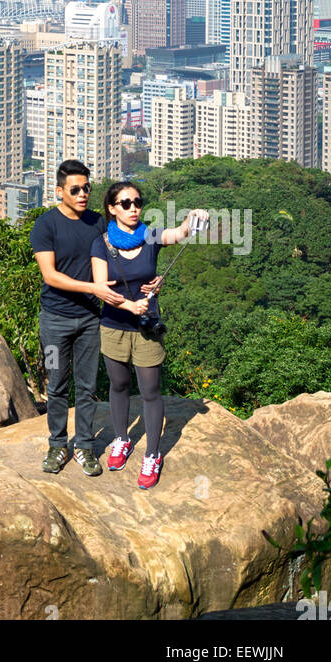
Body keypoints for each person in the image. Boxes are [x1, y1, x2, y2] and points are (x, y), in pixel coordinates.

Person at [91, 182, 209, 490]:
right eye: (125, 203)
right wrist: (130, 305)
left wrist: (192, 218)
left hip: (146, 325)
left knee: (150, 391)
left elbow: (179, 234)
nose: (133, 209)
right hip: (115, 324)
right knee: (118, 384)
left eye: (137, 202)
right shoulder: (101, 243)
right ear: (112, 208)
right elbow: (101, 288)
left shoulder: (150, 235)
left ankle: (152, 454)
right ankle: (122, 439)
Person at [31, 159, 126, 477]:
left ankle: (85, 446)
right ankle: (58, 445)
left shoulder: (98, 223)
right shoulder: (46, 225)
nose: (84, 193)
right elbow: (51, 275)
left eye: (87, 188)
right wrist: (93, 288)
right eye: (76, 189)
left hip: (89, 321)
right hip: (55, 321)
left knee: (86, 387)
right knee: (57, 385)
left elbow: (126, 246)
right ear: (60, 192)